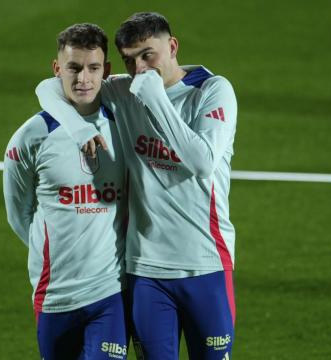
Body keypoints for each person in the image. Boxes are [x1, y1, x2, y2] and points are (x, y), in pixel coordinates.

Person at [36, 12, 238, 360]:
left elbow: (202, 162)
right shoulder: (125, 90)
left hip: (207, 263)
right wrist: (78, 127)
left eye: (148, 55)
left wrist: (155, 97)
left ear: (172, 46)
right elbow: (48, 88)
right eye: (130, 61)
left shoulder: (212, 91)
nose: (140, 68)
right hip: (145, 271)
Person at [3, 23, 128, 360]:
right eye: (73, 68)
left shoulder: (125, 129)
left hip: (110, 293)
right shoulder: (30, 137)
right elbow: (19, 216)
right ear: (57, 69)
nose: (83, 78)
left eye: (92, 68)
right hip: (54, 295)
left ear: (107, 71)